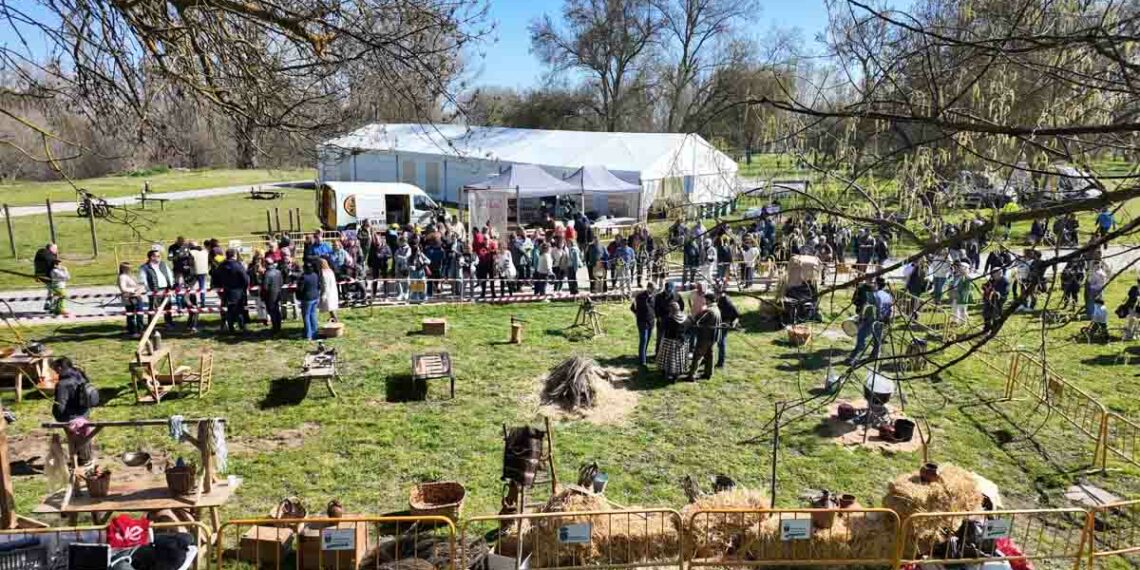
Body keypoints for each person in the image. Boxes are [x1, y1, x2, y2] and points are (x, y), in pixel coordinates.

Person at [686, 293, 722, 381]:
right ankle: (708, 373)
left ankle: (692, 375)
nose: (705, 301)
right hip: (714, 337)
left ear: (709, 300)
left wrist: (690, 317)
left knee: (697, 355)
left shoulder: (708, 311)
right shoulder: (717, 309)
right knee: (709, 356)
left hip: (705, 337)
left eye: (706, 300)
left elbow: (697, 320)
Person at [213, 249, 250, 333]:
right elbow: (245, 278)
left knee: (229, 310)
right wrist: (244, 287)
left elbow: (216, 277)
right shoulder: (238, 265)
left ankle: (230, 327)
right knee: (239, 310)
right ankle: (241, 327)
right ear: (234, 255)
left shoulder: (221, 266)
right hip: (238, 290)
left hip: (226, 290)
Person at [139, 249, 175, 326]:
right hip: (154, 291)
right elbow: (143, 280)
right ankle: (151, 325)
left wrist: (171, 287)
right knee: (153, 309)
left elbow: (170, 275)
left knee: (167, 307)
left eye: (160, 256)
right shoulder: (145, 267)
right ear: (152, 257)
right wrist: (150, 291)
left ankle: (169, 323)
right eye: (157, 256)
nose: (159, 257)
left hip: (166, 289)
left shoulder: (163, 264)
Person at [656, 300, 689, 381]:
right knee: (678, 359)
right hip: (682, 342)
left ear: (672, 310)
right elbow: (689, 328)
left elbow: (662, 327)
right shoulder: (686, 318)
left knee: (668, 359)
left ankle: (666, 373)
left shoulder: (669, 319)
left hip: (669, 341)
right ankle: (676, 375)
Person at [631, 282, 657, 366]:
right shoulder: (640, 296)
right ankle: (642, 361)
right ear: (648, 288)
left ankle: (643, 355)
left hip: (651, 322)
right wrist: (637, 315)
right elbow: (633, 308)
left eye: (654, 289)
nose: (653, 291)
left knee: (648, 340)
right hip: (642, 322)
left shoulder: (654, 297)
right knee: (643, 340)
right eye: (652, 289)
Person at [117, 262, 146, 337]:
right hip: (130, 298)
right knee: (131, 315)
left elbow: (137, 284)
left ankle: (141, 330)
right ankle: (132, 331)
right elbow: (123, 288)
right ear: (123, 269)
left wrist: (140, 288)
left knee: (140, 314)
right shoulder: (122, 277)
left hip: (137, 297)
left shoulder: (130, 276)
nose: (130, 269)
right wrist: (133, 290)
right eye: (128, 268)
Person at [297, 261, 321, 340]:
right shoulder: (315, 275)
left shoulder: (303, 277)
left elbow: (300, 289)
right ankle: (314, 332)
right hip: (315, 296)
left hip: (307, 298)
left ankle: (308, 334)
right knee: (313, 314)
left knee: (306, 316)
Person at [715, 290, 740, 368]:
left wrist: (733, 323)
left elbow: (737, 316)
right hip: (716, 324)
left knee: (721, 343)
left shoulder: (729, 305)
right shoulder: (718, 303)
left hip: (724, 325)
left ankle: (721, 362)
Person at [33, 243, 58, 310]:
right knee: (56, 288)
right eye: (56, 249)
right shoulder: (50, 256)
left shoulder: (40, 253)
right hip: (48, 276)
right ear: (51, 248)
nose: (56, 251)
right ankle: (52, 304)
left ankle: (48, 303)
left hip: (39, 274)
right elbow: (53, 267)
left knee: (51, 289)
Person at [262, 260, 284, 333]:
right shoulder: (278, 272)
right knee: (277, 310)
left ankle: (275, 327)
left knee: (272, 311)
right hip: (278, 293)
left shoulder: (267, 274)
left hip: (270, 294)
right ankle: (279, 326)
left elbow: (265, 287)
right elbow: (281, 282)